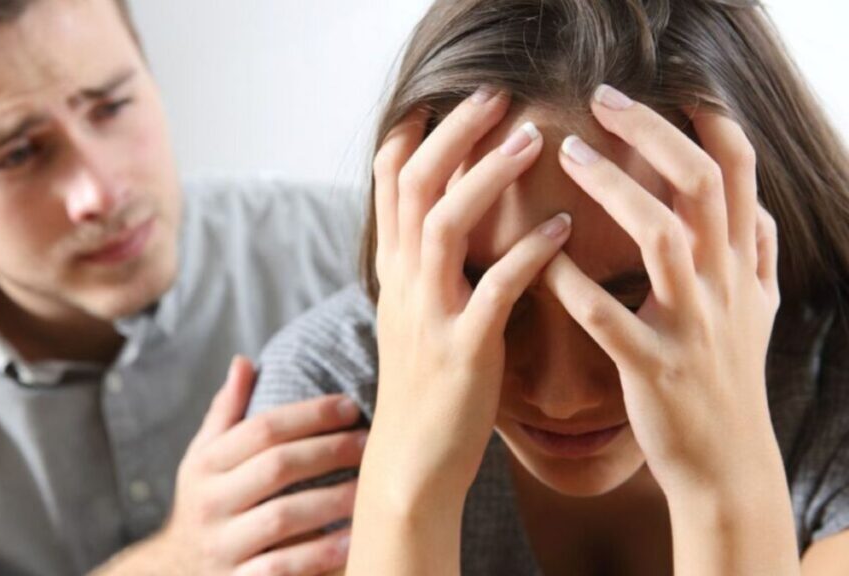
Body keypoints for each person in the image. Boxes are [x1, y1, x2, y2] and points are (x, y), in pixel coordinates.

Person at [247, 0, 849, 573]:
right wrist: (408, 488)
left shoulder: (832, 391)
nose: (564, 397)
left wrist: (724, 482)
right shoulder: (329, 407)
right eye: (492, 296)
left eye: (632, 298)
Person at [0, 0, 367, 574]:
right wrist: (177, 561)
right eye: (19, 154)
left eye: (111, 106)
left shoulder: (350, 248)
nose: (101, 193)